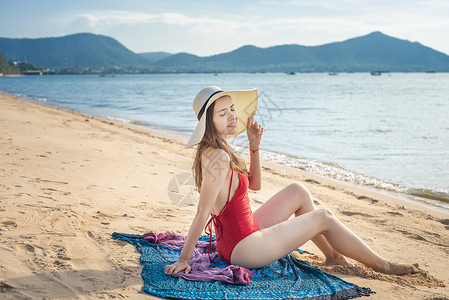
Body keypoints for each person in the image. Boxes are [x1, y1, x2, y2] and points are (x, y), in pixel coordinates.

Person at [164, 86, 416, 275]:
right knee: (324, 216)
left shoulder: (218, 149)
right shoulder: (218, 156)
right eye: (222, 113)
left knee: (298, 191)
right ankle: (383, 265)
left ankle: (333, 256)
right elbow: (202, 211)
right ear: (210, 122)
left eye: (232, 109)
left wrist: (254, 147)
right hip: (245, 248)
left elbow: (254, 185)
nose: (232, 116)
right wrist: (184, 259)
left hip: (239, 236)